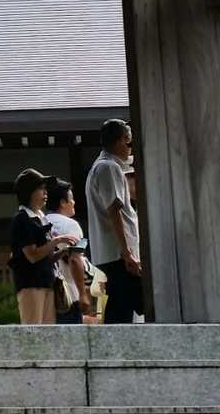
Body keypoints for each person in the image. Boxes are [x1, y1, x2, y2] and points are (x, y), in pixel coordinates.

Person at [84, 118, 142, 324]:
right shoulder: (109, 167)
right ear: (121, 140)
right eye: (128, 141)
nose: (130, 147)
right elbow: (114, 210)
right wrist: (126, 252)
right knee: (122, 307)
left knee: (121, 304)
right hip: (117, 254)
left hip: (110, 252)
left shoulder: (100, 166)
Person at [9, 167, 77, 324]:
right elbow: (32, 256)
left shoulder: (41, 218)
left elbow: (46, 257)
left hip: (47, 282)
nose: (45, 193)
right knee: (33, 330)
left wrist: (62, 252)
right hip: (31, 285)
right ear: (29, 192)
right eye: (40, 188)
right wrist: (57, 241)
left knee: (47, 332)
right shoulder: (22, 219)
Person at [43, 178, 94, 324]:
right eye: (71, 199)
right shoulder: (71, 225)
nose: (74, 202)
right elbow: (75, 259)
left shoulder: (41, 222)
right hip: (68, 295)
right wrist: (83, 294)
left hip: (46, 294)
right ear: (62, 202)